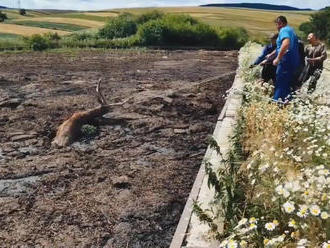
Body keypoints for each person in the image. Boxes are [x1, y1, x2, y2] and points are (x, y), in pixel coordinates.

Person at [272, 16, 300, 102]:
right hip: (292, 62)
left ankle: (276, 104)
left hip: (285, 61)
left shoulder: (284, 30)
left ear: (282, 23)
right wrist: (272, 54)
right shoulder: (291, 30)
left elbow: (286, 44)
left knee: (281, 83)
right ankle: (286, 103)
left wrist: (277, 58)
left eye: (278, 24)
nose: (277, 26)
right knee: (287, 84)